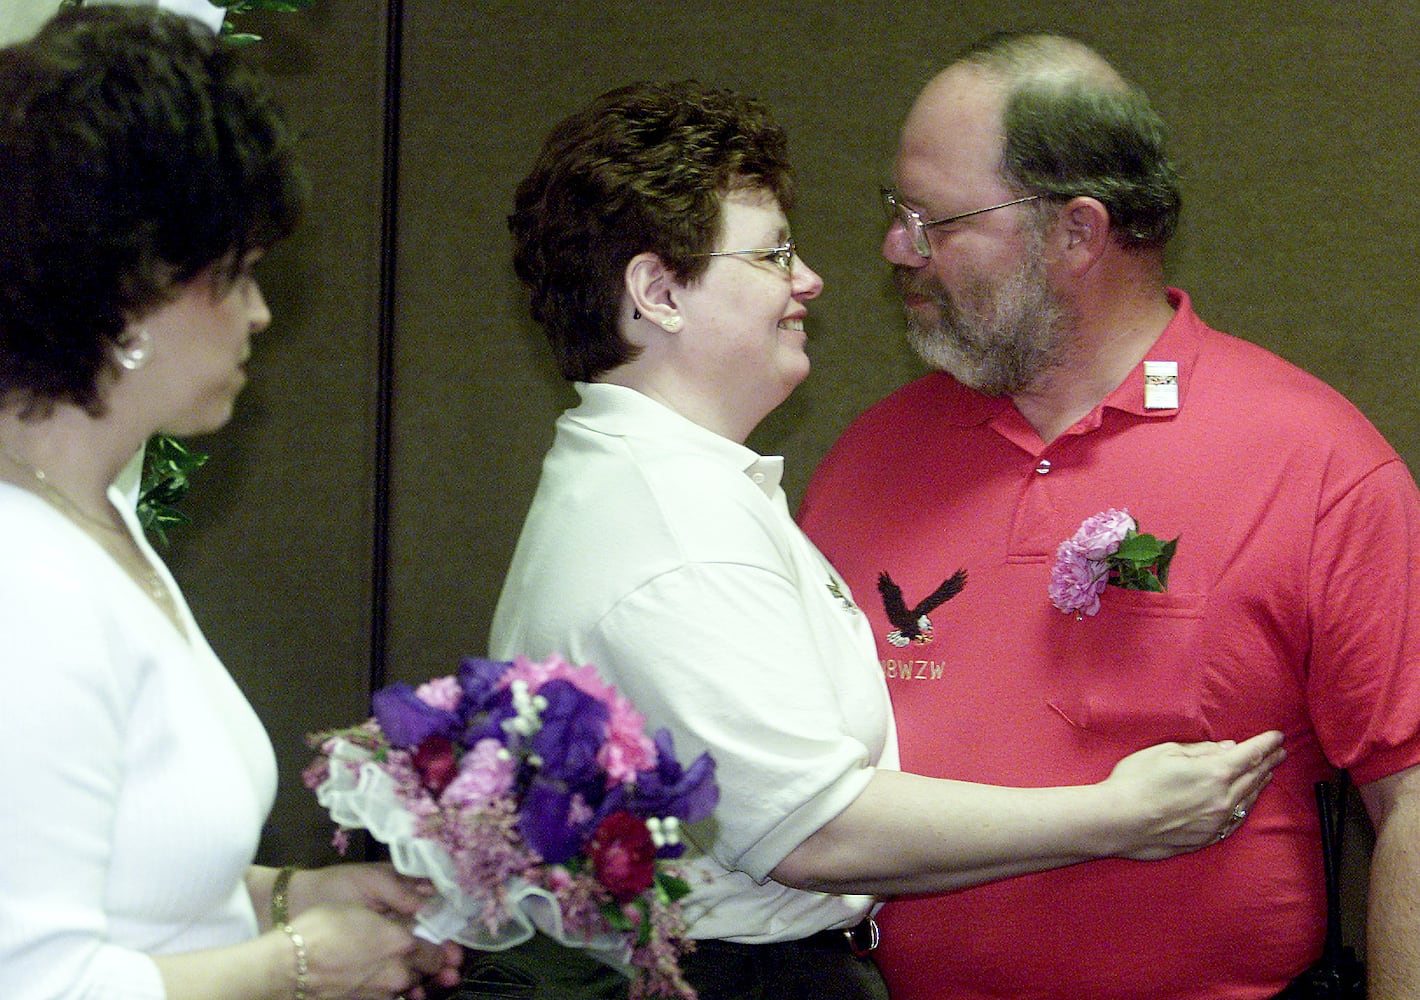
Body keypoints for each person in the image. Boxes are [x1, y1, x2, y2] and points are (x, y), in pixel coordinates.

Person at [485, 79, 1284, 1000]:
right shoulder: (671, 530)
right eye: (773, 254)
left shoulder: (683, 488)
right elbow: (814, 832)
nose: (809, 280)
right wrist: (1117, 815)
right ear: (659, 292)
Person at [798, 30, 1420, 1000]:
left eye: (932, 220)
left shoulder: (1312, 459)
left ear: (1076, 233)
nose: (894, 248)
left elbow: (1413, 793)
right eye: (896, 212)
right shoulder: (866, 460)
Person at [0, 8, 460, 999]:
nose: (259, 314)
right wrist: (297, 966)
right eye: (240, 275)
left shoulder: (95, 523)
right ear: (130, 287)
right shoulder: (22, 577)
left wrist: (291, 894)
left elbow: (131, 889)